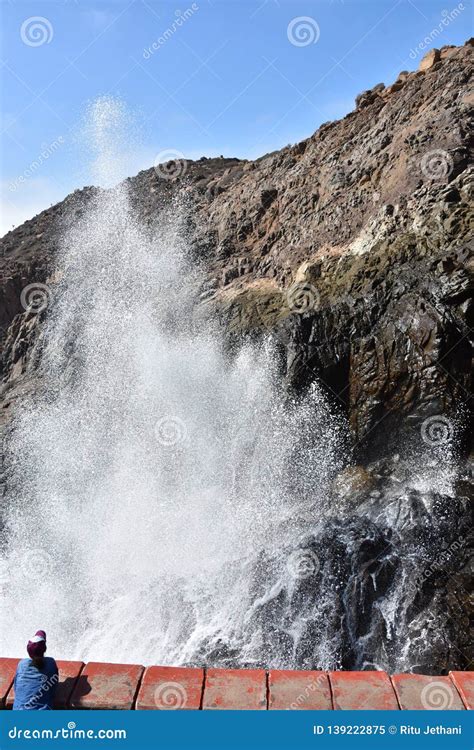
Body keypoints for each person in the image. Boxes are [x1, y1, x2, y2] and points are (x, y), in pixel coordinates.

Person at [12, 630, 59, 710]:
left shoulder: (22, 664)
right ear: (45, 649)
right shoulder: (50, 663)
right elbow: (53, 690)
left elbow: (16, 688)